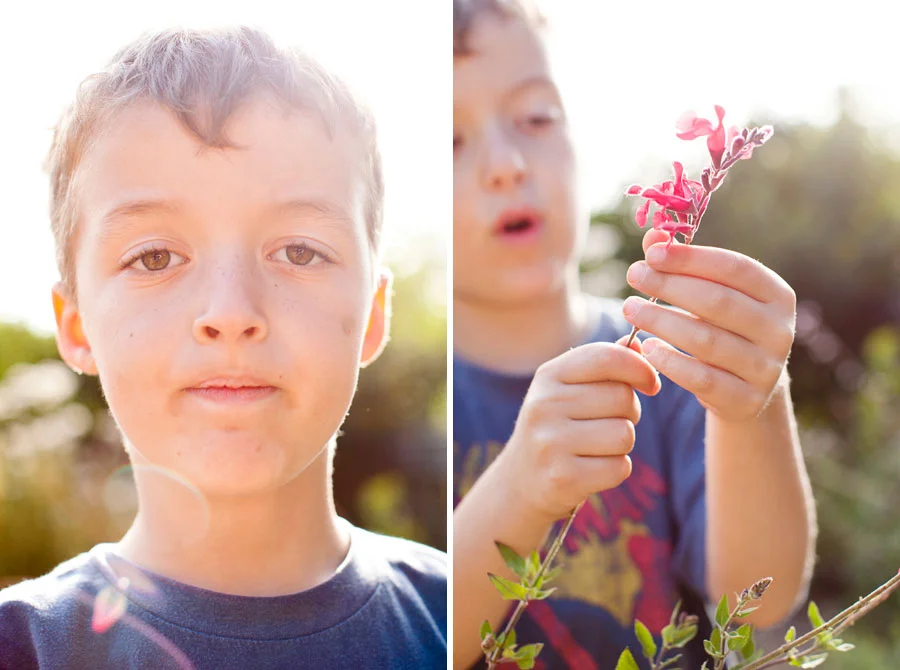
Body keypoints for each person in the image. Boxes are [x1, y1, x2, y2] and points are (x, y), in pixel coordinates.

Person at [0, 25, 446, 670]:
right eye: (154, 256)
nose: (231, 313)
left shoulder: (471, 619)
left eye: (299, 251)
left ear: (374, 315)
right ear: (75, 325)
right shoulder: (22, 649)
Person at [452, 1, 816, 667]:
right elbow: (411, 641)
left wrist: (750, 405)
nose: (504, 164)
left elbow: (759, 600)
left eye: (535, 117)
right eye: (448, 141)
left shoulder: (671, 359)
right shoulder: (414, 404)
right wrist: (517, 492)